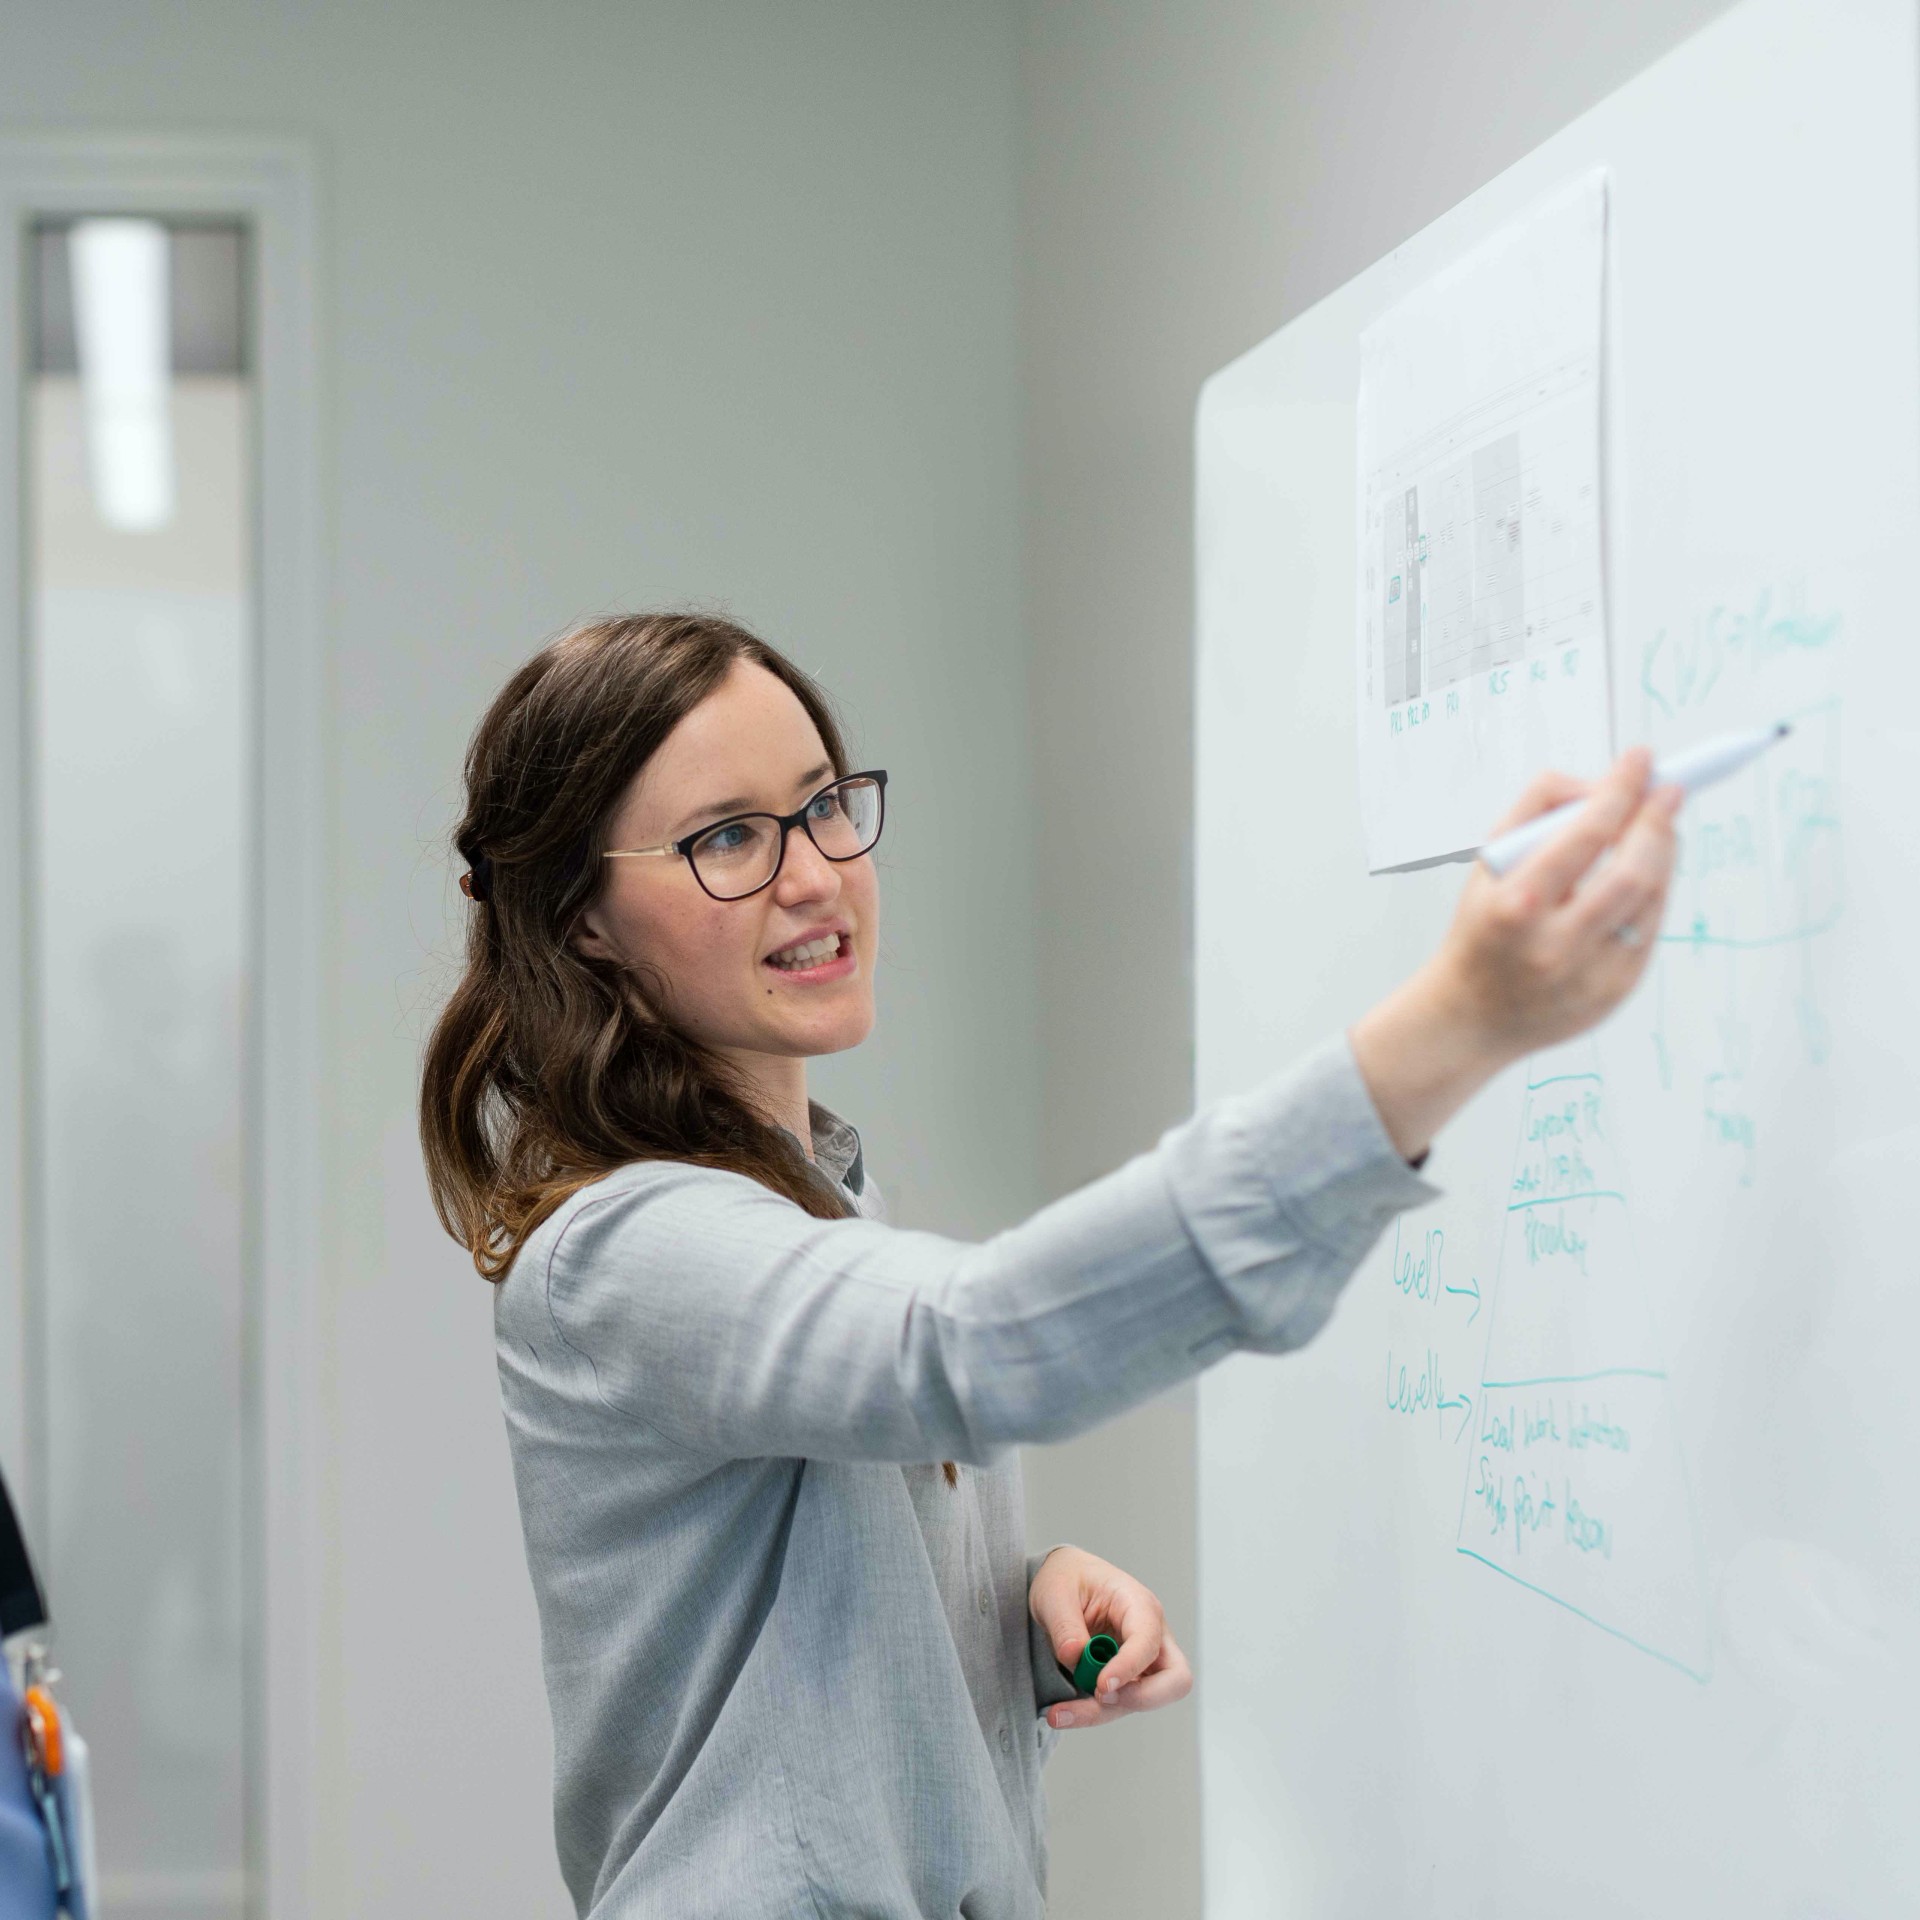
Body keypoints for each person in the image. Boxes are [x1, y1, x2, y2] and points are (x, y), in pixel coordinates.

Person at [419, 612, 1679, 1919]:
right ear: (583, 924)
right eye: (728, 838)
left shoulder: (820, 1210)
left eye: (824, 807)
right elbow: (970, 1346)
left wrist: (998, 1611)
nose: (814, 876)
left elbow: (771, 1652)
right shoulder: (625, 1252)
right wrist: (1454, 1029)